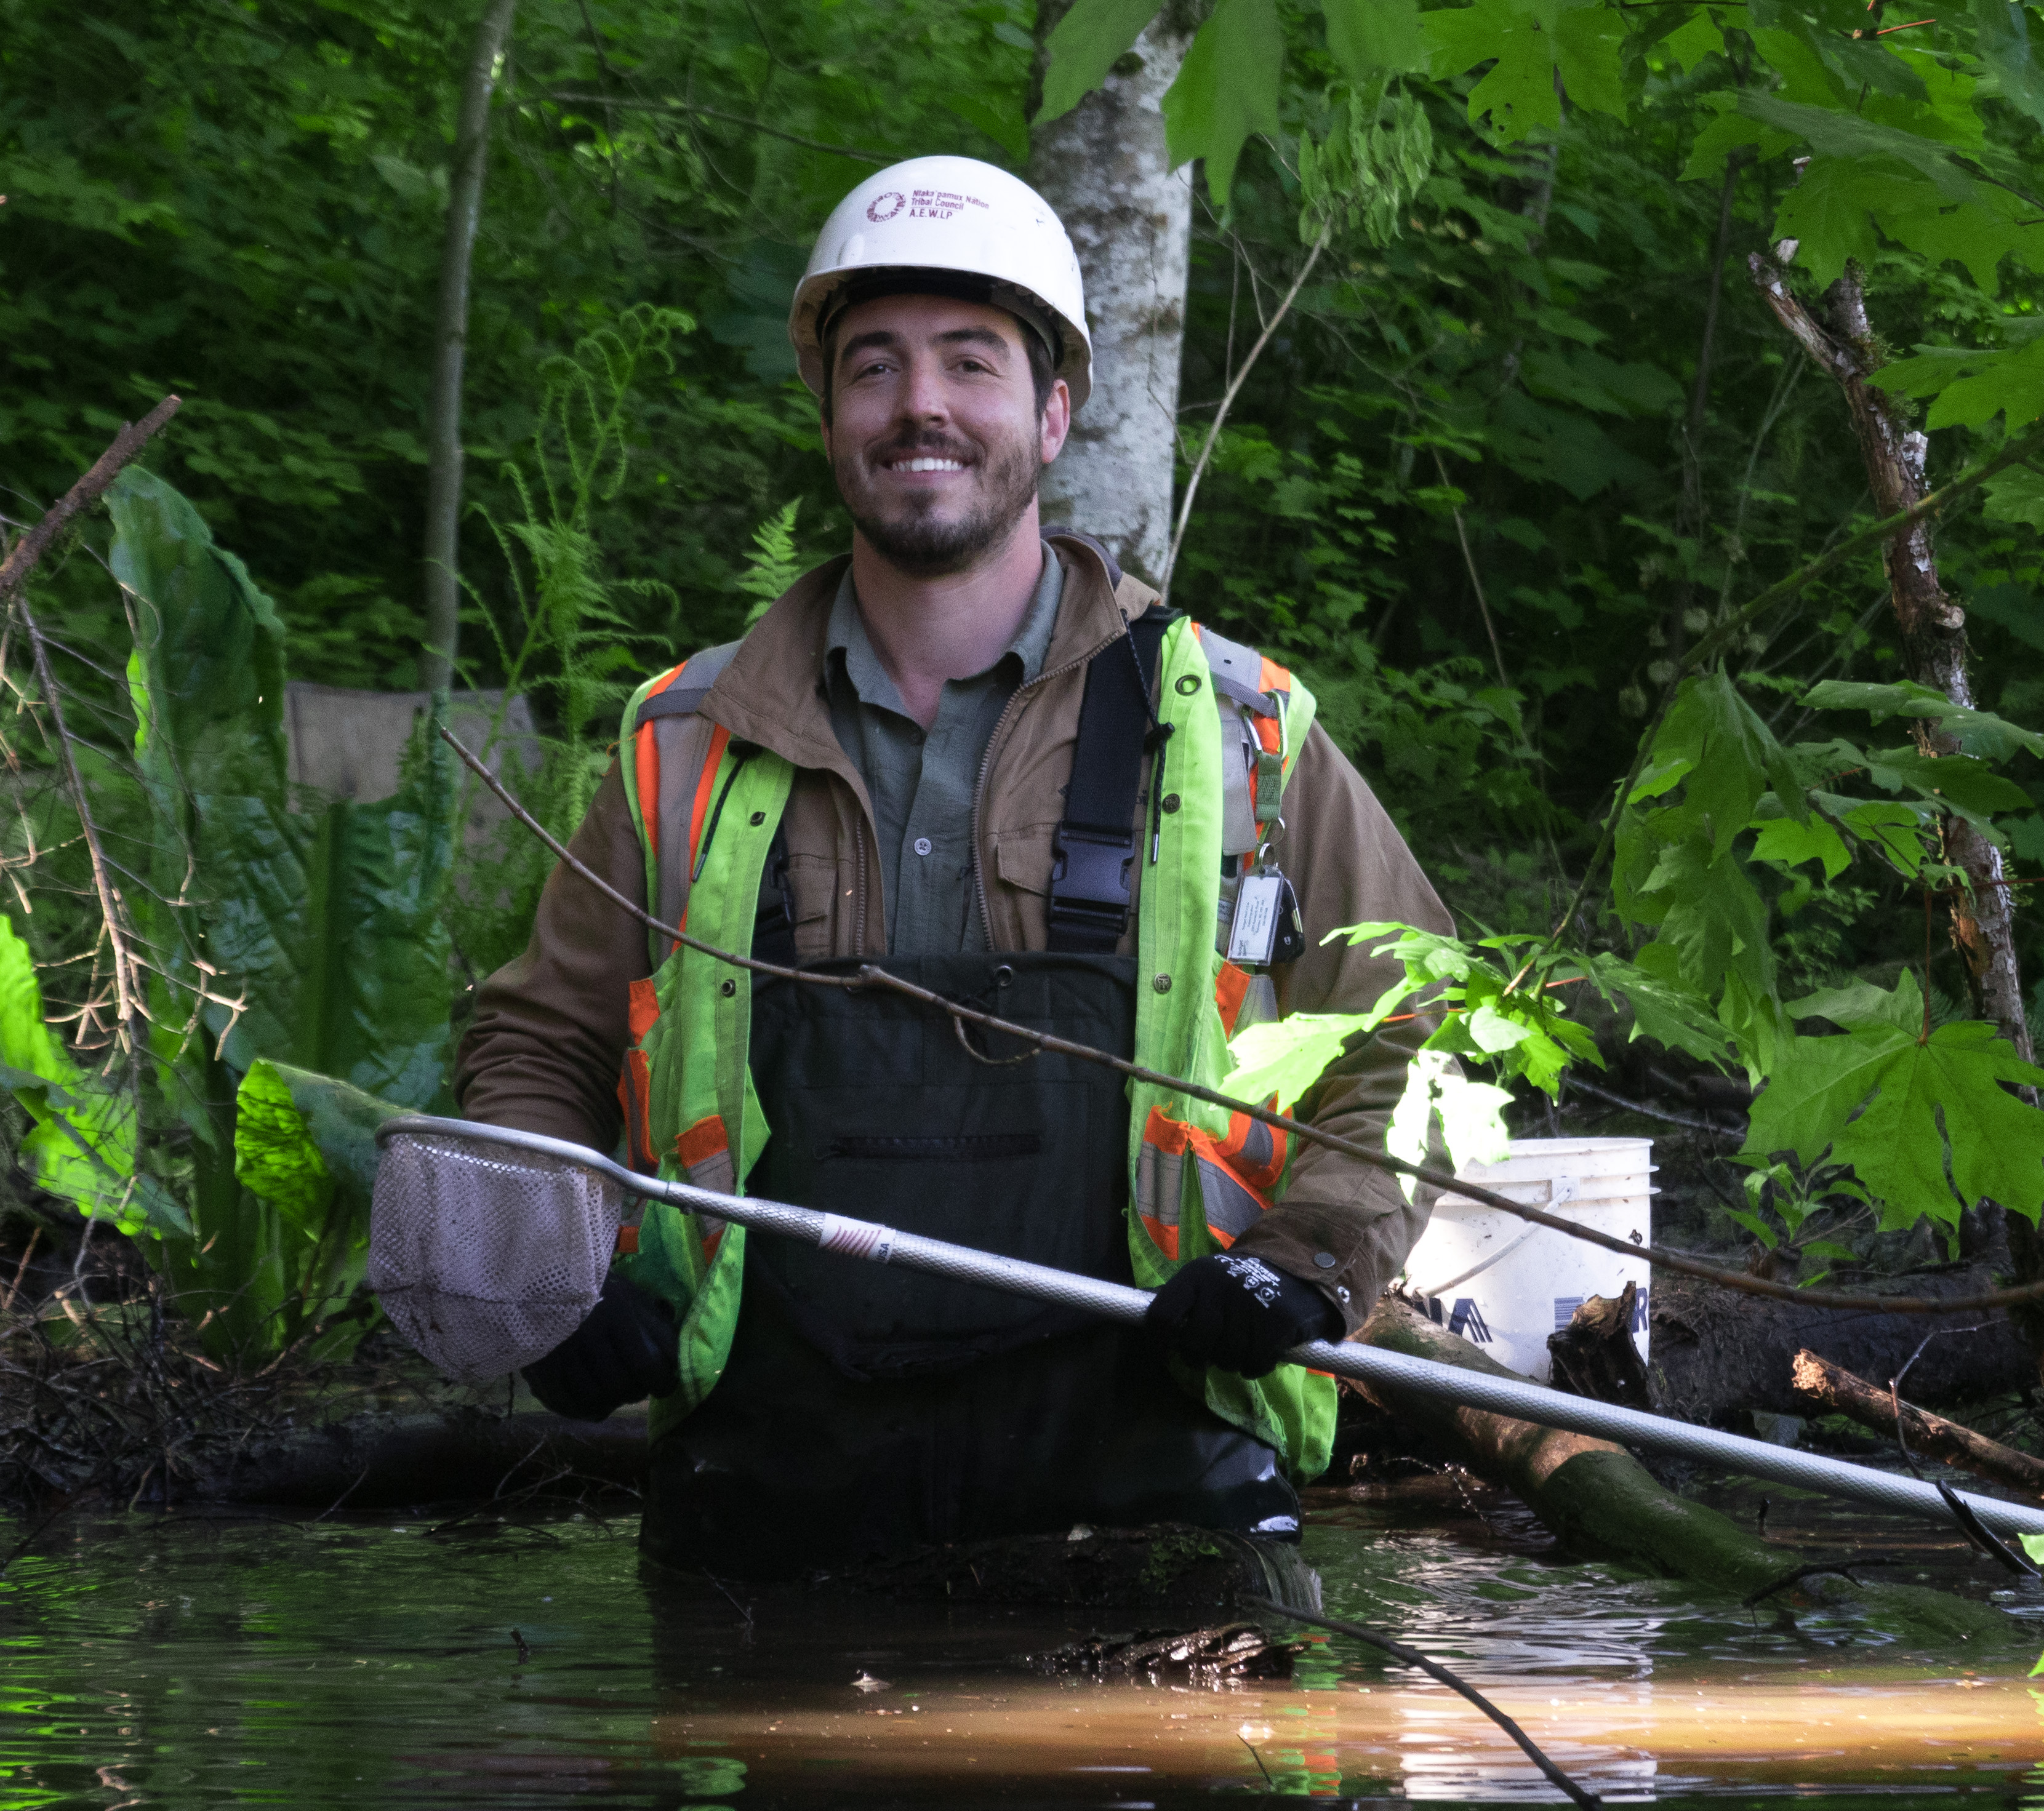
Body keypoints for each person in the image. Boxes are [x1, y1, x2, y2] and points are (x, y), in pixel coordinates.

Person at [454, 154, 1454, 1578]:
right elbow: (536, 1039)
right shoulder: (683, 743)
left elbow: (1426, 1029)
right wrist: (548, 1270)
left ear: (1052, 415)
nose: (919, 403)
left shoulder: (1242, 736)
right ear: (828, 416)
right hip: (765, 1515)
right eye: (875, 366)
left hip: (1160, 1504)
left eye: (969, 362)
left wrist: (1306, 1260)